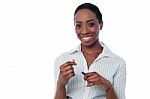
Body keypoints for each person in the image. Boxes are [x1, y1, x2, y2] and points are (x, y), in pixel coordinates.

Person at [54, 3, 126, 99]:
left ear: (101, 24)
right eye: (78, 25)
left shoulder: (118, 63)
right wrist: (60, 85)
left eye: (91, 24)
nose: (84, 31)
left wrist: (108, 87)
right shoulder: (62, 60)